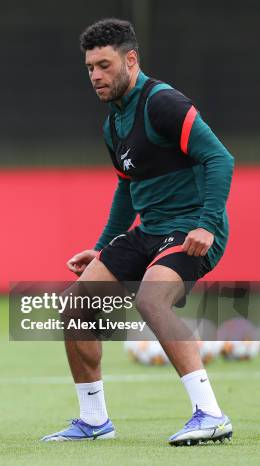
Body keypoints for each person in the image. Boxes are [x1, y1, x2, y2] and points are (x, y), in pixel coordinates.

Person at [41, 19, 234, 445]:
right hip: (149, 232)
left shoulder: (163, 103)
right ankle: (94, 422)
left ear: (131, 60)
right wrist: (101, 248)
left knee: (151, 299)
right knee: (76, 308)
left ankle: (211, 414)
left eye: (105, 65)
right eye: (90, 67)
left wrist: (207, 222)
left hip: (192, 228)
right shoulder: (112, 123)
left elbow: (221, 159)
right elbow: (127, 188)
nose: (95, 76)